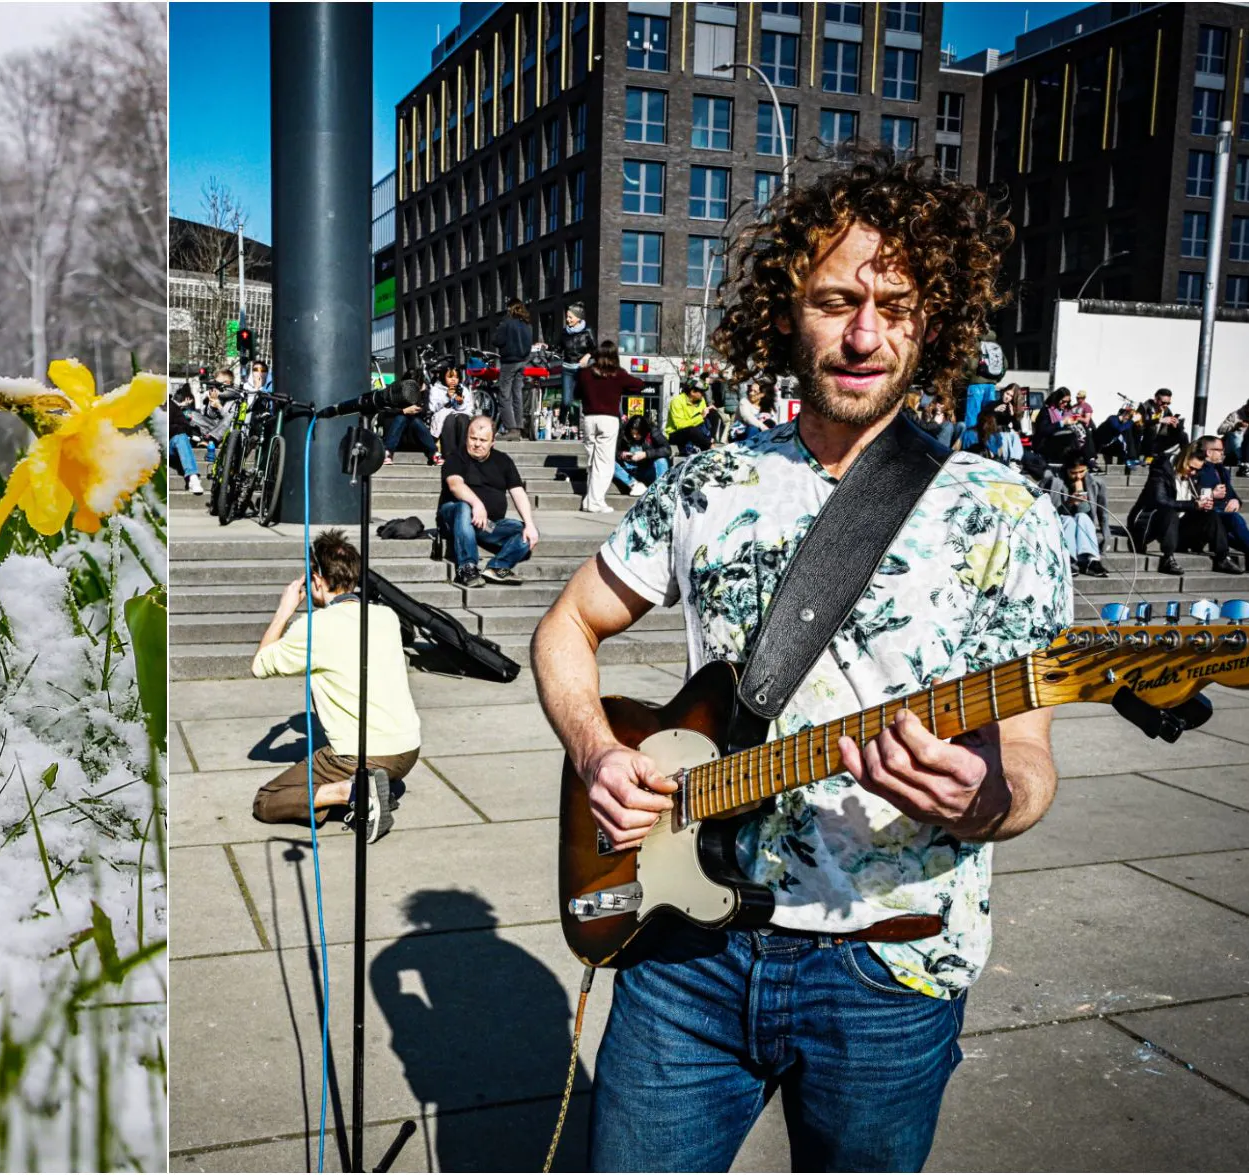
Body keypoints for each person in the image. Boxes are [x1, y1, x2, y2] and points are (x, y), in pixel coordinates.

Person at [532, 149, 1072, 1172]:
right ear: (787, 309)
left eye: (894, 304)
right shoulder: (705, 485)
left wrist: (987, 798)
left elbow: (1029, 756)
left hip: (886, 965)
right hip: (683, 954)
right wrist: (599, 750)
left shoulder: (1007, 513)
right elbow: (565, 627)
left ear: (934, 317)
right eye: (834, 300)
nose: (863, 334)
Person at [248, 529, 421, 843]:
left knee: (267, 800)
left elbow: (260, 664)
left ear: (315, 580)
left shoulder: (313, 627)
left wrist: (284, 611)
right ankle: (371, 788)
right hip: (408, 751)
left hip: (364, 756)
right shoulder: (385, 616)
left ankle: (352, 790)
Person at [437, 415, 539, 587]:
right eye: (473, 438)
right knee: (464, 507)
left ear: (492, 442)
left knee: (526, 533)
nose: (477, 444)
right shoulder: (456, 457)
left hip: (487, 525)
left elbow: (518, 492)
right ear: (467, 437)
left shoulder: (503, 461)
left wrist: (530, 524)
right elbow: (455, 485)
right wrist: (477, 504)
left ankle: (497, 567)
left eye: (483, 440)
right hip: (454, 520)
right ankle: (467, 567)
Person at [1126, 440, 1244, 575]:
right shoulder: (1161, 469)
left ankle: (1222, 558)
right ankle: (1167, 558)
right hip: (1152, 521)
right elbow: (1161, 501)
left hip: (1179, 526)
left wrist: (1204, 503)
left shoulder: (1194, 474)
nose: (1193, 473)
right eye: (1191, 468)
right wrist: (1194, 505)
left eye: (1197, 470)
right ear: (1183, 459)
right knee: (1169, 513)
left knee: (1210, 515)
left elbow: (1194, 498)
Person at [576, 339, 645, 513]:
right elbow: (639, 385)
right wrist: (620, 389)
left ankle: (588, 501)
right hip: (608, 420)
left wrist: (583, 366)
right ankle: (596, 502)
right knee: (604, 464)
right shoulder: (618, 374)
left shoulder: (585, 373)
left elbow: (577, 393)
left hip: (589, 419)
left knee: (592, 462)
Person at [1047, 457, 1110, 577]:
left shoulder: (1096, 483)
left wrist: (1106, 536)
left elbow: (1103, 512)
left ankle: (1092, 560)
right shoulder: (1055, 482)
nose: (1078, 476)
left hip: (1084, 524)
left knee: (1082, 516)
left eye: (1082, 471)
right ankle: (1069, 559)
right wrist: (1069, 502)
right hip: (1062, 522)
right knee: (1068, 520)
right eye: (1073, 473)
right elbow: (1050, 510)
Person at [1196, 433, 1249, 556]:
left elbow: (1231, 493)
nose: (1222, 453)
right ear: (1209, 452)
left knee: (1231, 533)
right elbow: (1193, 495)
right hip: (1205, 516)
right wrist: (1212, 494)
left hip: (1222, 513)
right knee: (1234, 519)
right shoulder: (1198, 470)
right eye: (1219, 450)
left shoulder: (1221, 470)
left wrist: (1235, 501)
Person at [492, 299, 538, 439]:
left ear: (509, 309)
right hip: (522, 362)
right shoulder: (527, 325)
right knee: (517, 394)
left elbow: (496, 340)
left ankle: (511, 429)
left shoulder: (507, 322)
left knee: (504, 396)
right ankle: (519, 427)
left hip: (509, 362)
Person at [382, 380, 440, 466]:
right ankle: (387, 453)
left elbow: (426, 412)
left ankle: (434, 454)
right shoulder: (393, 393)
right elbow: (386, 412)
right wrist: (404, 411)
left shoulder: (423, 393)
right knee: (401, 418)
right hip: (395, 436)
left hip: (415, 436)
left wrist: (419, 405)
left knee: (415, 420)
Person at [612, 413, 667, 495]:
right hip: (629, 470)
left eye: (637, 434)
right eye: (632, 433)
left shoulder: (653, 432)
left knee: (662, 461)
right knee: (608, 462)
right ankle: (634, 485)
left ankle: (662, 490)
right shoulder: (623, 432)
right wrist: (621, 454)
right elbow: (612, 451)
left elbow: (666, 449)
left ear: (644, 431)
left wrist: (645, 454)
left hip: (647, 469)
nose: (634, 436)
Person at [428, 366, 474, 456]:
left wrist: (460, 402)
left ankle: (463, 453)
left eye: (456, 377)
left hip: (461, 414)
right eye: (450, 377)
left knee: (462, 419)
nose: (453, 380)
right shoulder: (436, 389)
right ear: (443, 377)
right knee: (449, 419)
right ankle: (449, 454)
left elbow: (468, 408)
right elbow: (433, 408)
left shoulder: (463, 389)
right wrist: (447, 398)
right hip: (442, 414)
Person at [558, 303, 597, 408]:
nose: (567, 319)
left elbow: (595, 349)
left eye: (570, 317)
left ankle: (577, 422)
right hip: (567, 370)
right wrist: (545, 346)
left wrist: (588, 355)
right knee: (566, 402)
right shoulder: (564, 332)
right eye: (567, 317)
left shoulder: (587, 331)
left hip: (582, 369)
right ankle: (568, 421)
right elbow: (557, 348)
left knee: (581, 400)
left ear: (578, 318)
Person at [167, 387, 204, 494]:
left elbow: (186, 427)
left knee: (181, 437)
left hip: (173, 443)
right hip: (161, 444)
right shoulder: (169, 406)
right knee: (180, 435)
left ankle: (193, 478)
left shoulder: (173, 407)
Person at [1137, 388, 1188, 462]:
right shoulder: (1144, 407)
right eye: (1163, 403)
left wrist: (1176, 425)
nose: (1165, 405)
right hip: (1143, 442)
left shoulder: (1166, 410)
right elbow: (1139, 424)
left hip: (1158, 442)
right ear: (1155, 399)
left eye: (1168, 403)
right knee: (1152, 428)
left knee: (1183, 435)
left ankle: (1186, 458)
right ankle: (1148, 456)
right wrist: (1159, 420)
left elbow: (1172, 429)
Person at [664, 382, 716, 454]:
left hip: (695, 430)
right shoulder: (677, 401)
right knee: (691, 430)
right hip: (675, 433)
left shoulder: (701, 400)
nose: (703, 394)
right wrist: (701, 417)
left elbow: (703, 419)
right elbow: (680, 425)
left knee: (713, 413)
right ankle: (710, 446)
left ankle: (711, 440)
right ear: (692, 392)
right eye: (701, 392)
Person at [1216, 399, 1249, 472]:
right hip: (1235, 448)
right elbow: (1220, 430)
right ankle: (1244, 463)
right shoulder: (1235, 415)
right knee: (1235, 434)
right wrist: (1235, 426)